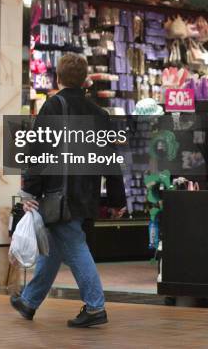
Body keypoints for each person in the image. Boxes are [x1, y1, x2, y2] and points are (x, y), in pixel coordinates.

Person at [10, 53, 126, 328]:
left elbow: (38, 152)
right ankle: (29, 301)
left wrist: (29, 193)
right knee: (53, 247)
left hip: (58, 195)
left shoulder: (53, 107)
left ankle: (96, 307)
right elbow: (110, 159)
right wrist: (117, 198)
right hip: (85, 194)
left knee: (73, 245)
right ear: (85, 80)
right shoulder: (99, 114)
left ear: (58, 78)